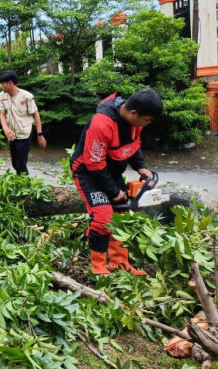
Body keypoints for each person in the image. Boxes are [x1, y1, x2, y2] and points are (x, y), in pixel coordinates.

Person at [70, 89, 163, 277]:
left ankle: (119, 263)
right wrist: (112, 191)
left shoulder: (134, 122)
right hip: (88, 172)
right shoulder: (102, 124)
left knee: (121, 215)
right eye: (147, 120)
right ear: (133, 113)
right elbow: (94, 163)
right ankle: (98, 266)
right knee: (103, 217)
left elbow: (134, 144)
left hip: (110, 171)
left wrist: (140, 167)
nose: (147, 124)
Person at [0, 70, 46, 175]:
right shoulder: (2, 96)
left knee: (20, 164)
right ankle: (21, 184)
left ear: (10, 83)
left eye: (2, 84)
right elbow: (2, 114)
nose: (1, 87)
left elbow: (36, 114)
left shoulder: (26, 96)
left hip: (24, 133)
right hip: (11, 134)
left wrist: (39, 134)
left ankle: (26, 187)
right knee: (15, 164)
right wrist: (5, 128)